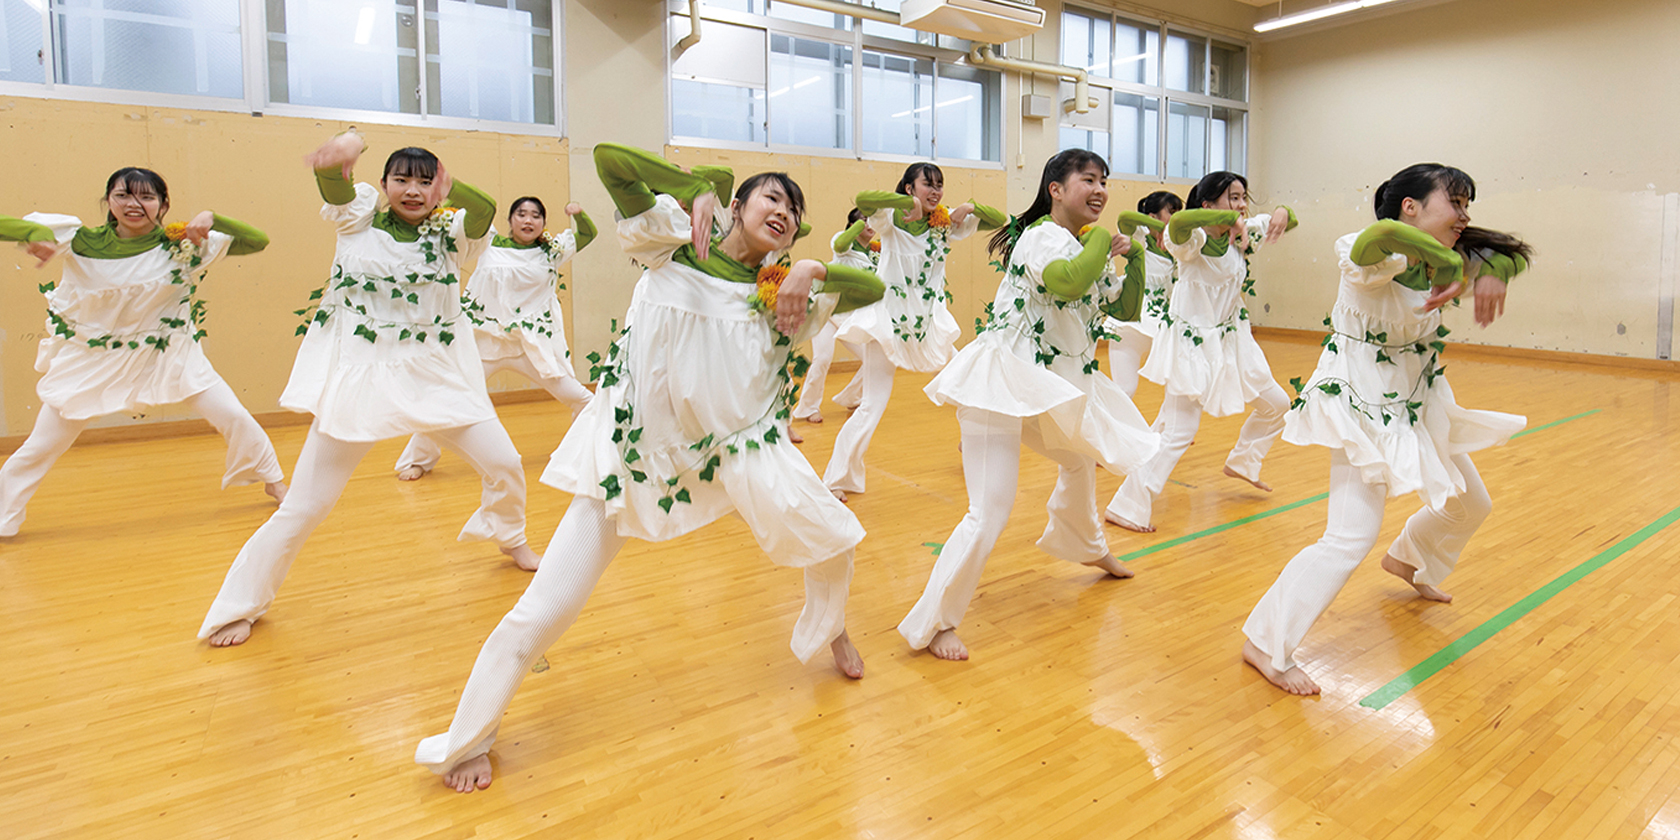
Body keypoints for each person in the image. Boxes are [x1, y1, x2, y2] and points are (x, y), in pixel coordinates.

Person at [414, 143, 884, 792]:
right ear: (736, 207)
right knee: (544, 608)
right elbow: (612, 161)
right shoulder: (674, 247)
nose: (784, 209)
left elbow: (875, 286)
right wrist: (690, 186)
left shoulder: (782, 296)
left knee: (832, 539)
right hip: (632, 454)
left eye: (794, 208)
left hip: (745, 449)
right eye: (772, 196)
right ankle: (468, 738)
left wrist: (808, 268)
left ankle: (830, 631)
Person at [198, 132, 538, 646]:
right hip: (362, 378)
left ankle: (511, 537)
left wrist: (453, 187)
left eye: (426, 183)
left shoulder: (453, 234)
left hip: (437, 377)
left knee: (505, 463)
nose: (413, 191)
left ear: (440, 191)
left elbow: (485, 208)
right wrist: (340, 157)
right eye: (401, 179)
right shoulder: (356, 219)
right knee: (306, 505)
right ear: (382, 185)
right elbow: (334, 187)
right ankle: (239, 605)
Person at [1242, 163, 1532, 695]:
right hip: (1362, 409)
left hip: (1416, 407)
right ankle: (1265, 640)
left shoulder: (1447, 255)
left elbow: (1512, 253)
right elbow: (1377, 236)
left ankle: (1409, 557)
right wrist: (1455, 262)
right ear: (1410, 207)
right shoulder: (1368, 250)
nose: (1465, 216)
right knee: (1348, 538)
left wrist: (1493, 270)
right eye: (1456, 203)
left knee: (1471, 504)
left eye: (1469, 205)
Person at [899, 149, 1159, 661]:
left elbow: (1125, 307)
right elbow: (1068, 281)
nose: (1101, 189)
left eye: (1104, 180)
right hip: (1000, 381)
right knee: (989, 511)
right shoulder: (1043, 237)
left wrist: (1138, 259)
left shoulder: (1084, 245)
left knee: (1080, 461)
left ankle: (1088, 546)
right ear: (1056, 189)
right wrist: (1106, 240)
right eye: (1088, 179)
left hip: (1043, 385)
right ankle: (934, 624)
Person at [0, 168, 285, 537]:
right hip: (93, 359)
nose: (134, 204)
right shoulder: (80, 240)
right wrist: (36, 234)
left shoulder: (183, 242)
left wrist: (213, 217)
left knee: (233, 414)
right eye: (123, 195)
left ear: (163, 204)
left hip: (170, 354)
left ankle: (274, 481)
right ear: (108, 201)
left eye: (147, 197)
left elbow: (257, 240)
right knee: (42, 444)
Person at [1104, 171, 1298, 532]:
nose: (1241, 206)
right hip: (1192, 344)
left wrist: (1282, 211)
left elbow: (1289, 220)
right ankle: (1129, 505)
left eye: (1243, 198)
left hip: (1233, 343)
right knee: (1179, 430)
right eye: (1233, 198)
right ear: (1208, 204)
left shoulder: (1241, 233)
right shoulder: (1190, 241)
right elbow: (1179, 221)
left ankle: (1243, 461)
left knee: (1277, 405)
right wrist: (1229, 219)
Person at [822, 163, 1006, 501]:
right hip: (890, 324)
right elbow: (863, 199)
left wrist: (970, 207)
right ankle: (836, 478)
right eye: (927, 185)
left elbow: (1001, 221)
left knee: (971, 382)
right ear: (910, 188)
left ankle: (971, 442)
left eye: (940, 185)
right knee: (872, 405)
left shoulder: (944, 225)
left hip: (929, 326)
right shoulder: (891, 219)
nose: (935, 191)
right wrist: (908, 205)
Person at [394, 196, 597, 480]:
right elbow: (463, 215)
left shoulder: (552, 251)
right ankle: (416, 460)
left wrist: (579, 213)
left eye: (536, 215)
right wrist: (446, 195)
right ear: (510, 220)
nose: (528, 220)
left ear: (544, 223)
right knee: (448, 398)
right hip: (485, 341)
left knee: (584, 400)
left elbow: (587, 234)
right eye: (521, 214)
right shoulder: (488, 242)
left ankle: (577, 454)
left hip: (530, 345)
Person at [791, 207, 876, 426]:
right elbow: (840, 244)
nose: (869, 225)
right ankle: (808, 407)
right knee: (822, 359)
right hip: (826, 310)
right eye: (864, 221)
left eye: (871, 221)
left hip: (850, 317)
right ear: (852, 226)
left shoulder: (874, 254)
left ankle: (852, 397)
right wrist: (858, 222)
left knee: (872, 359)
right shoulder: (843, 243)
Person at [1105, 191, 1182, 398]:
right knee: (1125, 389)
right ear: (1153, 217)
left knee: (1180, 387)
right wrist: (1157, 227)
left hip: (1163, 325)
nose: (1177, 218)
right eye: (1172, 212)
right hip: (1131, 323)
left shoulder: (1177, 246)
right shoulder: (1140, 238)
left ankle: (1161, 431)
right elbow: (1125, 217)